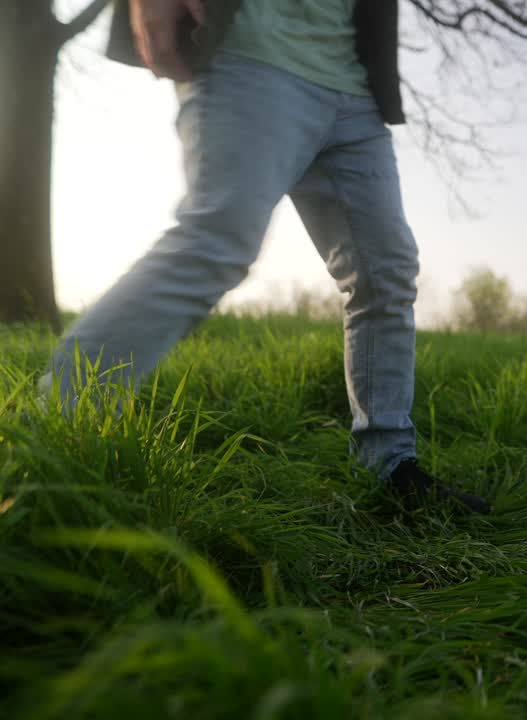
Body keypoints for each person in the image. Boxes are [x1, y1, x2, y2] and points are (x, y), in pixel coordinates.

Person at [40, 0, 490, 514]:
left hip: (353, 85)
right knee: (217, 242)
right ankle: (51, 429)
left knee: (386, 272)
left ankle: (389, 467)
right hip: (250, 54)